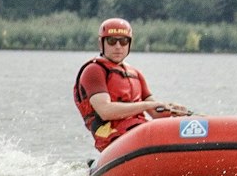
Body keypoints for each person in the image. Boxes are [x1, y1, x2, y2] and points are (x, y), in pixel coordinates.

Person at [73, 17, 191, 151]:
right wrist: (148, 105)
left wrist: (173, 110)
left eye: (123, 41)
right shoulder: (94, 70)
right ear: (101, 43)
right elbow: (105, 111)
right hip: (111, 136)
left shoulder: (135, 73)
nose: (118, 46)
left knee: (174, 129)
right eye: (112, 41)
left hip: (138, 129)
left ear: (129, 44)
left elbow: (155, 112)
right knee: (149, 132)